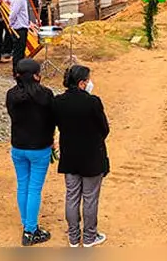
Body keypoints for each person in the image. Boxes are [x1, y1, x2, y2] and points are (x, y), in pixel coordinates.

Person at [56, 64, 109, 248]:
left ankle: (73, 237)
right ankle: (89, 237)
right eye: (87, 80)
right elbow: (104, 129)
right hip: (92, 156)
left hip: (69, 156)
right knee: (90, 198)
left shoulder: (58, 101)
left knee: (71, 196)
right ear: (81, 83)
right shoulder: (93, 102)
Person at [6, 58, 57, 246]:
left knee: (23, 185)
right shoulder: (46, 95)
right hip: (40, 148)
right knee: (34, 188)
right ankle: (30, 230)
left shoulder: (11, 95)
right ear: (36, 76)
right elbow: (52, 119)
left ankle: (26, 222)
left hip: (18, 147)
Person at [9, 0, 34, 68]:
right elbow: (13, 13)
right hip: (19, 28)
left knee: (21, 50)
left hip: (23, 27)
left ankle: (20, 69)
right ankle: (16, 70)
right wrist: (11, 24)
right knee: (18, 51)